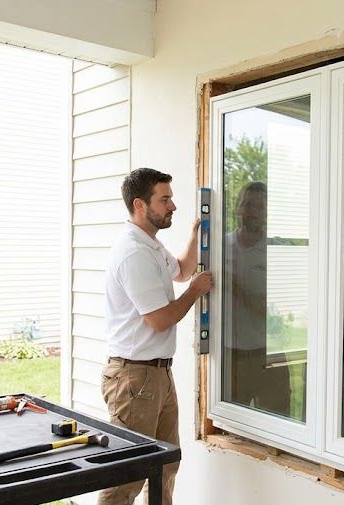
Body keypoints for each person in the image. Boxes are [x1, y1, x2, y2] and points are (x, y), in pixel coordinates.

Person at [99, 167, 213, 505]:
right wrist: (195, 292)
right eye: (164, 200)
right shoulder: (133, 253)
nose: (172, 206)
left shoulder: (150, 245)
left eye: (171, 199)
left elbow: (182, 269)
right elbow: (160, 320)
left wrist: (196, 235)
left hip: (157, 374)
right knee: (127, 476)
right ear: (140, 205)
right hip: (134, 379)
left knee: (164, 466)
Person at [225, 181, 291, 418]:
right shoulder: (221, 246)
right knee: (232, 425)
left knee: (278, 423)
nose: (252, 211)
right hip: (230, 356)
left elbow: (270, 311)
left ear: (267, 213)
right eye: (247, 204)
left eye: (259, 207)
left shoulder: (275, 251)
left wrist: (233, 285)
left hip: (268, 354)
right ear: (238, 207)